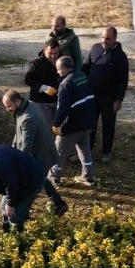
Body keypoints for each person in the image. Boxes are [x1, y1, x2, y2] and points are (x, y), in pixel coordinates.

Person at [3, 89, 69, 216]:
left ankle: (24, 210)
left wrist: (18, 164)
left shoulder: (28, 117)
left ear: (17, 101)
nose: (8, 109)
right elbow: (19, 134)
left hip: (40, 154)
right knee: (40, 178)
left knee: (32, 182)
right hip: (42, 152)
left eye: (9, 106)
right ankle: (58, 203)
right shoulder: (27, 105)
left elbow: (27, 145)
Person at [82, 26, 129, 163]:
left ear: (115, 39)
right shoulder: (94, 48)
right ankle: (87, 150)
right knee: (90, 124)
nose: (104, 40)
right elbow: (85, 67)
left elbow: (123, 80)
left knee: (108, 126)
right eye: (102, 37)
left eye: (108, 38)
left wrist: (119, 100)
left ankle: (106, 152)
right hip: (92, 96)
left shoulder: (120, 56)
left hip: (110, 98)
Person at [51, 56, 98, 187]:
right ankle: (88, 176)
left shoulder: (65, 84)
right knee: (84, 149)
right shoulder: (83, 76)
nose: (57, 72)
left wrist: (56, 124)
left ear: (65, 69)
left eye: (58, 69)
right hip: (87, 121)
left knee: (59, 151)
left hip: (72, 124)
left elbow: (63, 108)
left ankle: (54, 177)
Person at [23, 40, 62, 105]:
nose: (53, 56)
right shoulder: (36, 64)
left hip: (57, 100)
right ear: (44, 50)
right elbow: (28, 80)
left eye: (55, 53)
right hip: (40, 102)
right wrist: (42, 87)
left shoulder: (63, 61)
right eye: (50, 53)